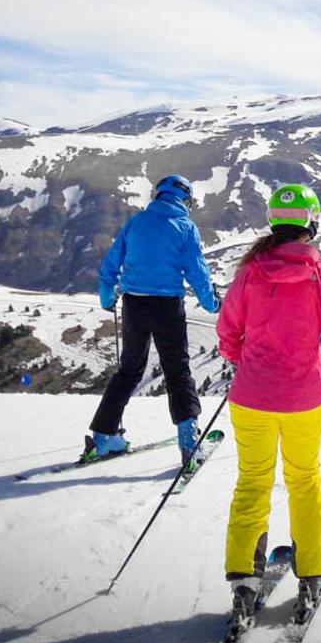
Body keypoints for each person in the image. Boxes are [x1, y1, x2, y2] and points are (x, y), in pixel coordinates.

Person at [215, 183, 321, 642]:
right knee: (305, 481)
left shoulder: (250, 272)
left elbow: (228, 332)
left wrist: (246, 363)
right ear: (311, 222)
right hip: (303, 399)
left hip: (251, 398)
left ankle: (244, 582)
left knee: (252, 483)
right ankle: (312, 574)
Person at [93, 174, 220, 465]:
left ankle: (102, 437)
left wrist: (106, 297)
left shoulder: (136, 223)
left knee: (128, 371)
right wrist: (212, 304)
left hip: (134, 304)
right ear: (185, 198)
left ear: (158, 194)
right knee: (177, 372)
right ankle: (188, 443)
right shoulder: (185, 227)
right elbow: (197, 271)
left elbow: (111, 264)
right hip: (167, 306)